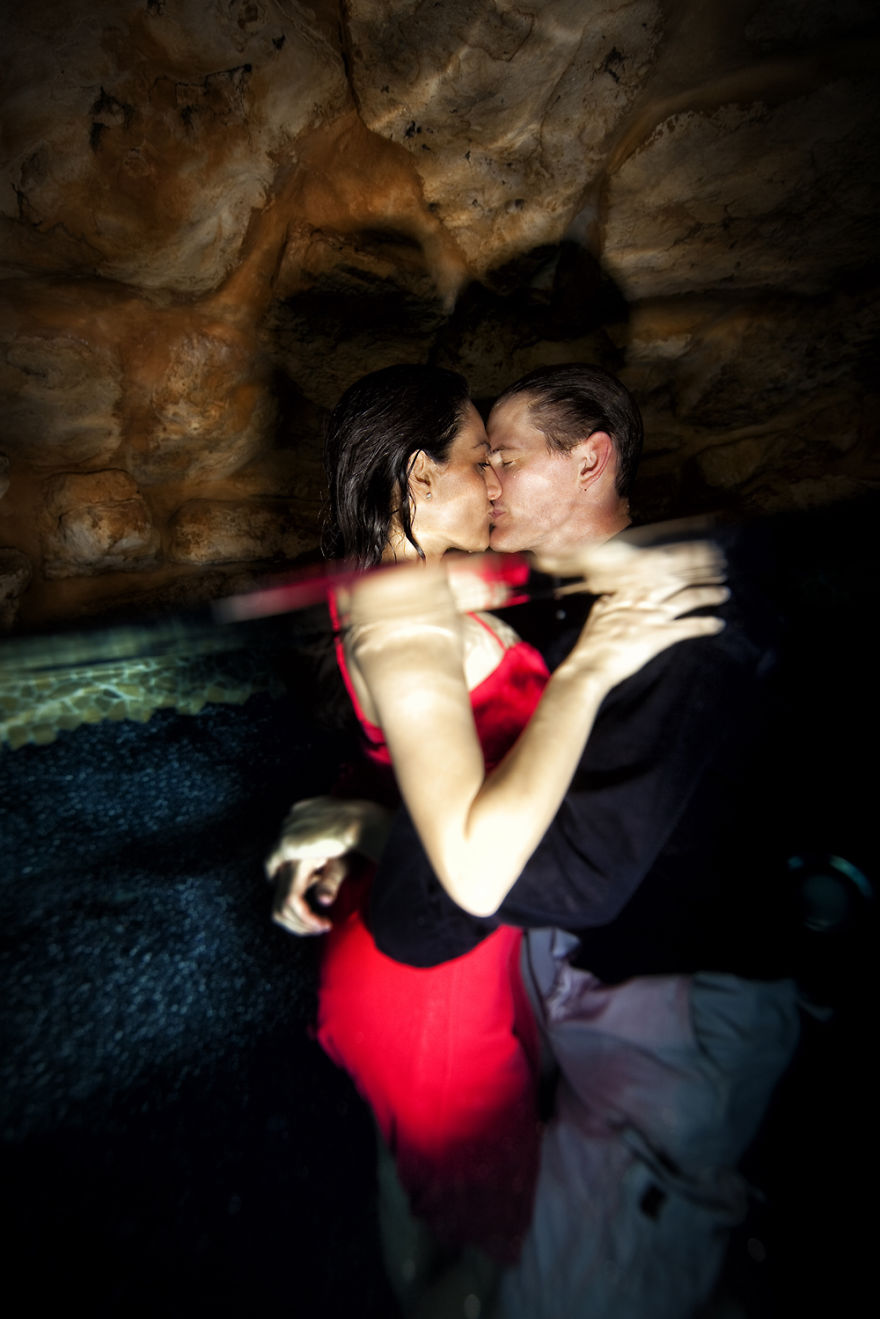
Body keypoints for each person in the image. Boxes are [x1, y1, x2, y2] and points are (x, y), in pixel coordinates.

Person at [269, 363, 801, 1319]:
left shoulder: (655, 610)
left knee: (495, 1251)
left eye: (506, 458)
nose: (498, 483)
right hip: (492, 981)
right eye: (487, 460)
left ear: (592, 459)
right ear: (424, 478)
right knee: (489, 1254)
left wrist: (373, 828)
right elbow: (478, 833)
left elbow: (554, 864)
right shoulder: (464, 606)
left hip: (627, 1004)